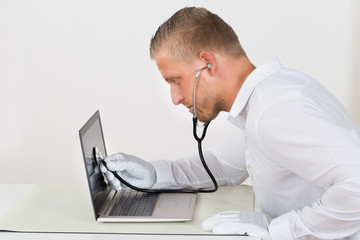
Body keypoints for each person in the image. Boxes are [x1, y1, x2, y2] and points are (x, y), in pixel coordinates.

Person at [100, 7, 360, 239]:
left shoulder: (275, 111)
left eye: (175, 80)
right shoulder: (266, 99)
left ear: (208, 64)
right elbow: (223, 165)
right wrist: (155, 175)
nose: (175, 98)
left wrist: (280, 230)